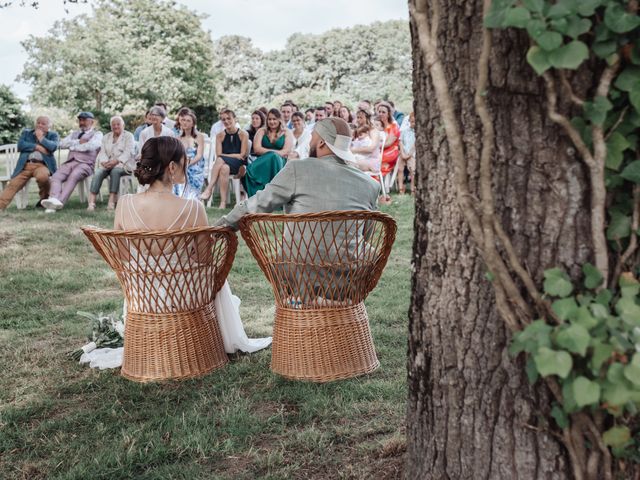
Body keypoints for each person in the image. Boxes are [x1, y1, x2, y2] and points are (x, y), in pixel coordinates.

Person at [114, 136, 271, 354]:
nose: (186, 165)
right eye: (183, 161)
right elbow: (204, 260)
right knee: (212, 276)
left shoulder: (124, 204)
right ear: (171, 167)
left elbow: (123, 257)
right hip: (184, 295)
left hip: (142, 295)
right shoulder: (193, 208)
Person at [214, 118, 380, 296]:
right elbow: (365, 235)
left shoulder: (297, 169)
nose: (309, 141)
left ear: (322, 142)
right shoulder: (370, 184)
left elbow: (256, 205)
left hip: (297, 279)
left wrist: (217, 229)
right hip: (349, 282)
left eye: (313, 137)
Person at [42, 112, 103, 213]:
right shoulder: (74, 133)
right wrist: (78, 142)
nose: (82, 122)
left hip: (86, 164)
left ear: (91, 122)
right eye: (80, 120)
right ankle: (53, 199)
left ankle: (58, 202)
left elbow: (92, 146)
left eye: (84, 120)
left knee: (73, 176)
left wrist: (73, 146)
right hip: (71, 162)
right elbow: (61, 144)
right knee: (56, 176)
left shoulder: (97, 134)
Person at [0, 116, 59, 211]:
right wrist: (37, 147)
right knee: (13, 184)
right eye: (38, 122)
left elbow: (53, 147)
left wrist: (41, 138)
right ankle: (1, 206)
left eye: (43, 124)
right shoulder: (27, 133)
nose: (39, 125)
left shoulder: (53, 135)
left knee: (43, 176)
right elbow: (20, 145)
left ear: (49, 126)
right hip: (25, 166)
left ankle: (44, 200)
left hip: (42, 165)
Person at [200, 109, 248, 208]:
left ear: (235, 119)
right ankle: (223, 202)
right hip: (224, 162)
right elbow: (218, 154)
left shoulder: (243, 134)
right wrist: (234, 155)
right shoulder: (220, 136)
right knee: (224, 168)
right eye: (223, 119)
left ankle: (209, 188)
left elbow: (242, 155)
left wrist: (229, 156)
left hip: (239, 164)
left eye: (228, 118)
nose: (226, 121)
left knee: (220, 160)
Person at [87, 116, 135, 211]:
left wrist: (116, 161)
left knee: (115, 171)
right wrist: (105, 162)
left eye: (118, 124)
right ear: (111, 126)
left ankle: (111, 200)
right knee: (99, 172)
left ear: (123, 125)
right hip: (108, 165)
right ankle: (91, 202)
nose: (116, 126)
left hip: (124, 165)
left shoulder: (129, 136)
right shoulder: (106, 137)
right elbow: (103, 152)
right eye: (113, 125)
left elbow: (128, 152)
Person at [242, 108, 293, 197]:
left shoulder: (286, 132)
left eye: (274, 119)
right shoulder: (262, 131)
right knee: (273, 156)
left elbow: (286, 151)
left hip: (280, 162)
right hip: (262, 162)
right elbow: (257, 149)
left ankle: (276, 195)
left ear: (279, 120)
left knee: (274, 157)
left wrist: (273, 154)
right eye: (269, 119)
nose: (272, 121)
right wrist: (273, 153)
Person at [173, 108, 206, 199]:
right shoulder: (178, 138)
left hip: (195, 164)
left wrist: (187, 164)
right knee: (176, 171)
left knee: (185, 171)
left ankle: (191, 197)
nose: (185, 123)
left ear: (193, 123)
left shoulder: (199, 137)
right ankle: (179, 197)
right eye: (183, 120)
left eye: (188, 121)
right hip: (182, 163)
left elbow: (199, 156)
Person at [377, 102, 400, 176]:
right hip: (378, 150)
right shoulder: (377, 125)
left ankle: (376, 180)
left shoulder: (393, 126)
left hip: (390, 151)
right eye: (379, 112)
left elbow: (388, 143)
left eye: (383, 112)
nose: (381, 114)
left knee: (375, 160)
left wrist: (374, 146)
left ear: (388, 114)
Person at [398, 112, 416, 195]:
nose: (414, 124)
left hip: (412, 154)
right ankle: (401, 188)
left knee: (412, 171)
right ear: (409, 121)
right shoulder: (405, 131)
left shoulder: (417, 133)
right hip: (403, 153)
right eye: (412, 122)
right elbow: (401, 142)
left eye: (415, 122)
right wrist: (402, 153)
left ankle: (413, 189)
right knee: (400, 169)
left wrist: (409, 155)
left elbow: (415, 145)